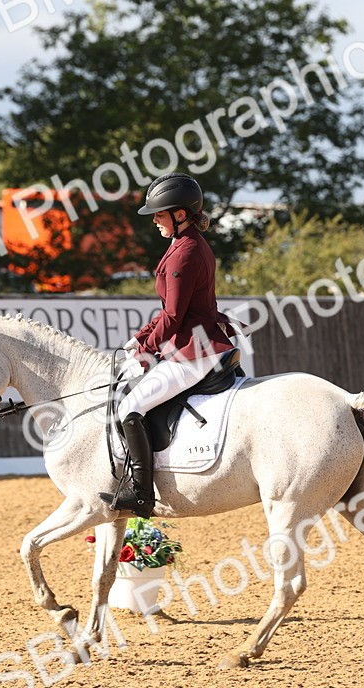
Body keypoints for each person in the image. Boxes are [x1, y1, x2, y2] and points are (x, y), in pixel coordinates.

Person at [106, 172, 235, 516]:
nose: (155, 222)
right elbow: (171, 310)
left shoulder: (185, 253)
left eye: (160, 215)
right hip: (198, 341)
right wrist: (139, 337)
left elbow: (174, 317)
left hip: (193, 351)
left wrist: (146, 344)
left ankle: (142, 493)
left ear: (180, 214)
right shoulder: (187, 245)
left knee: (129, 408)